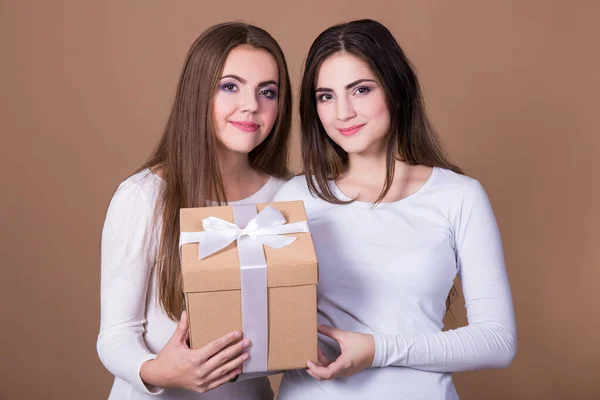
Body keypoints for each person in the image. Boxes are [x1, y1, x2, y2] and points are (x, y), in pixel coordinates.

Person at [273, 19, 516, 399]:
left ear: (397, 89)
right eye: (326, 96)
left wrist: (377, 350)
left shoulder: (458, 196)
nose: (343, 113)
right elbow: (265, 326)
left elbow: (498, 340)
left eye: (361, 90)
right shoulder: (294, 197)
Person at [97, 22, 292, 400]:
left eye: (267, 92)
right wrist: (157, 370)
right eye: (230, 86)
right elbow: (115, 335)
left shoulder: (288, 196)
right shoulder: (145, 196)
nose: (251, 105)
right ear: (197, 93)